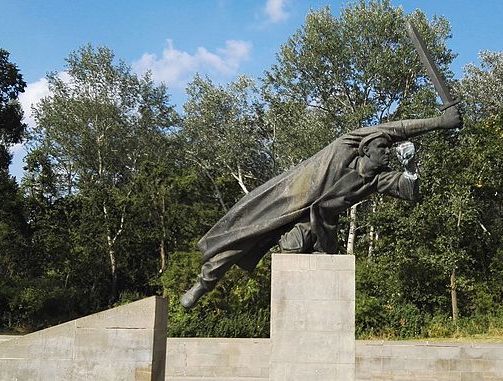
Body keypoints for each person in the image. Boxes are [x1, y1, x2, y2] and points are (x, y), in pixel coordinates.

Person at [181, 105, 463, 308]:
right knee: (242, 233)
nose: (389, 152)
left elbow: (410, 189)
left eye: (390, 150)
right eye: (384, 148)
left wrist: (411, 164)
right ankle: (203, 285)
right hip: (287, 197)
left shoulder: (376, 180)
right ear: (366, 148)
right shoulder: (346, 145)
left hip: (313, 223)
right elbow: (398, 128)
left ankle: (294, 246)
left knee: (292, 247)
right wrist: (439, 121)